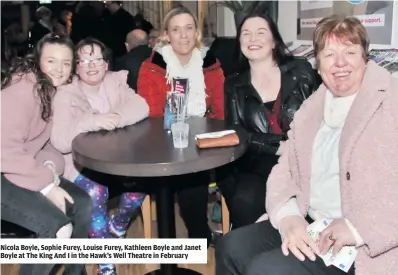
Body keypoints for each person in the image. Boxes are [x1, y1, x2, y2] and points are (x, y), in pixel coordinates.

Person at [215, 15, 398, 275]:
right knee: (230, 247)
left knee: (264, 269)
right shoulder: (314, 106)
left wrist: (357, 228)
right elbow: (285, 168)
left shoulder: (391, 102)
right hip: (310, 222)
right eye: (329, 54)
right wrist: (288, 216)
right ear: (318, 64)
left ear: (365, 58)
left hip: (363, 243)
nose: (340, 63)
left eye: (349, 51)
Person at [51, 38, 149, 275]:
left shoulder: (116, 82)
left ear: (106, 65)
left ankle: (118, 227)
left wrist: (114, 116)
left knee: (144, 181)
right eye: (84, 60)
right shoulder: (66, 94)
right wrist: (92, 121)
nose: (91, 65)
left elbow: (141, 106)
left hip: (119, 161)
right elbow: (60, 140)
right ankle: (105, 263)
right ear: (76, 67)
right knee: (96, 193)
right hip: (81, 166)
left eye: (97, 59)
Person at [216, 13, 320, 229]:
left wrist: (297, 147)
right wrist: (278, 146)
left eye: (261, 33)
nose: (253, 38)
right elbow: (237, 133)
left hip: (305, 161)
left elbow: (320, 117)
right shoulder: (233, 85)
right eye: (246, 34)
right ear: (240, 43)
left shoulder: (302, 73)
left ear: (274, 41)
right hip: (256, 164)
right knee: (245, 200)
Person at [1, 33, 92, 275]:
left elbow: (45, 145)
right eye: (51, 61)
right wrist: (47, 186)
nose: (59, 69)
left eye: (66, 63)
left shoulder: (48, 91)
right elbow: (4, 151)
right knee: (56, 228)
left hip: (17, 169)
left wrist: (50, 169)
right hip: (4, 170)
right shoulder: (22, 90)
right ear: (37, 60)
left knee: (81, 203)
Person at [137, 6, 225, 246]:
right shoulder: (152, 67)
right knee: (189, 173)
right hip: (163, 141)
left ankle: (199, 234)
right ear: (167, 34)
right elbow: (151, 118)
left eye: (188, 28)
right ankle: (199, 235)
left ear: (196, 32)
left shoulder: (211, 64)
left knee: (195, 169)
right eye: (176, 30)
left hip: (205, 138)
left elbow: (219, 110)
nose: (183, 35)